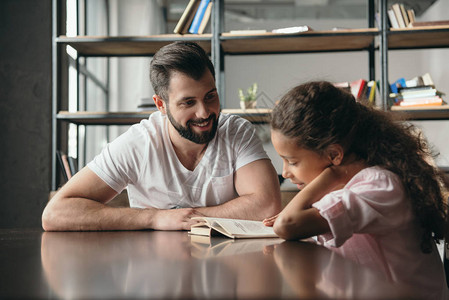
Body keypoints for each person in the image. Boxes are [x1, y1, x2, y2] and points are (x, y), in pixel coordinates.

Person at [42, 41, 281, 231]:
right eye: (188, 102)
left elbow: (267, 204)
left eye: (210, 96)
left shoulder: (236, 131)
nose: (204, 112)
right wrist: (155, 219)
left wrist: (187, 217)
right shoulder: (138, 144)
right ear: (161, 105)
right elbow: (56, 214)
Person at [263, 81, 448, 298]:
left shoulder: (380, 186)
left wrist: (333, 174)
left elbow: (287, 224)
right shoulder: (347, 185)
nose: (285, 172)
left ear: (334, 155)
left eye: (292, 162)